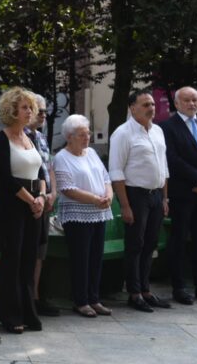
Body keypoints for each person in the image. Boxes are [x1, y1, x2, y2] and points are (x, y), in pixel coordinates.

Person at [0, 87, 45, 334]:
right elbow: (5, 177)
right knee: (12, 261)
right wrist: (30, 200)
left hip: (34, 204)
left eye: (31, 107)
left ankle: (28, 312)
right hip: (13, 205)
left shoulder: (30, 137)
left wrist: (41, 197)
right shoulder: (2, 138)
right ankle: (10, 315)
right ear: (12, 110)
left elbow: (40, 172)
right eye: (24, 107)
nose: (29, 111)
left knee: (29, 260)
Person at [108, 90, 170, 313]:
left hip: (155, 195)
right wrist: (125, 205)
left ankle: (146, 290)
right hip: (135, 194)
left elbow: (164, 167)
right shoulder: (123, 134)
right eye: (145, 104)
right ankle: (134, 293)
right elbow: (116, 171)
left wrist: (165, 197)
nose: (151, 108)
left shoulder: (158, 131)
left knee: (151, 243)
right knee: (136, 244)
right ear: (132, 107)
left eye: (152, 104)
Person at [52, 115, 114, 317]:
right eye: (82, 135)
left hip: (99, 212)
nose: (87, 138)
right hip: (77, 215)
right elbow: (67, 189)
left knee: (96, 257)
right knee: (81, 259)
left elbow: (106, 178)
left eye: (88, 133)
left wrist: (108, 196)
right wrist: (96, 199)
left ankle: (94, 298)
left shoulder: (92, 153)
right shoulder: (62, 157)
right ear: (70, 137)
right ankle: (81, 301)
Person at [160, 86, 197, 305]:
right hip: (183, 193)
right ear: (177, 103)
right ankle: (179, 287)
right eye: (187, 100)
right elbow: (172, 159)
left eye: (195, 100)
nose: (192, 104)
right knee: (180, 240)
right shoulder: (167, 127)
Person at [24, 94, 59, 317]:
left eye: (45, 111)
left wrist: (52, 193)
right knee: (28, 253)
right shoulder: (19, 137)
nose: (43, 114)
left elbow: (48, 167)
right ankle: (27, 298)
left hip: (45, 199)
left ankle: (36, 297)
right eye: (39, 110)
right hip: (29, 201)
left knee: (40, 253)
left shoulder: (42, 137)